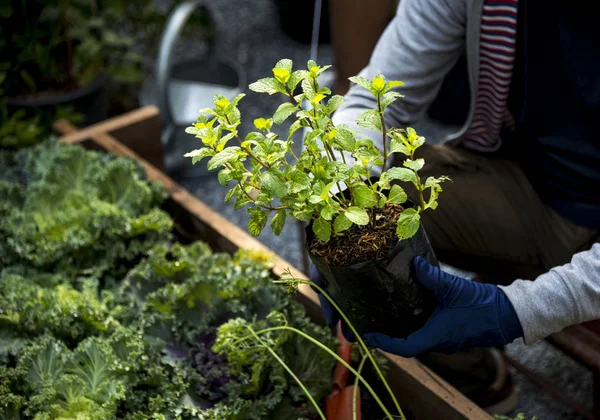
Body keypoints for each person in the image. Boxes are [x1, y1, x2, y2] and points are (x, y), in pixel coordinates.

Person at [313, 0, 600, 414]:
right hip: (522, 171)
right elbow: (371, 106)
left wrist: (513, 311)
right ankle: (476, 377)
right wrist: (335, 198)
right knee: (339, 213)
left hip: (586, 220)